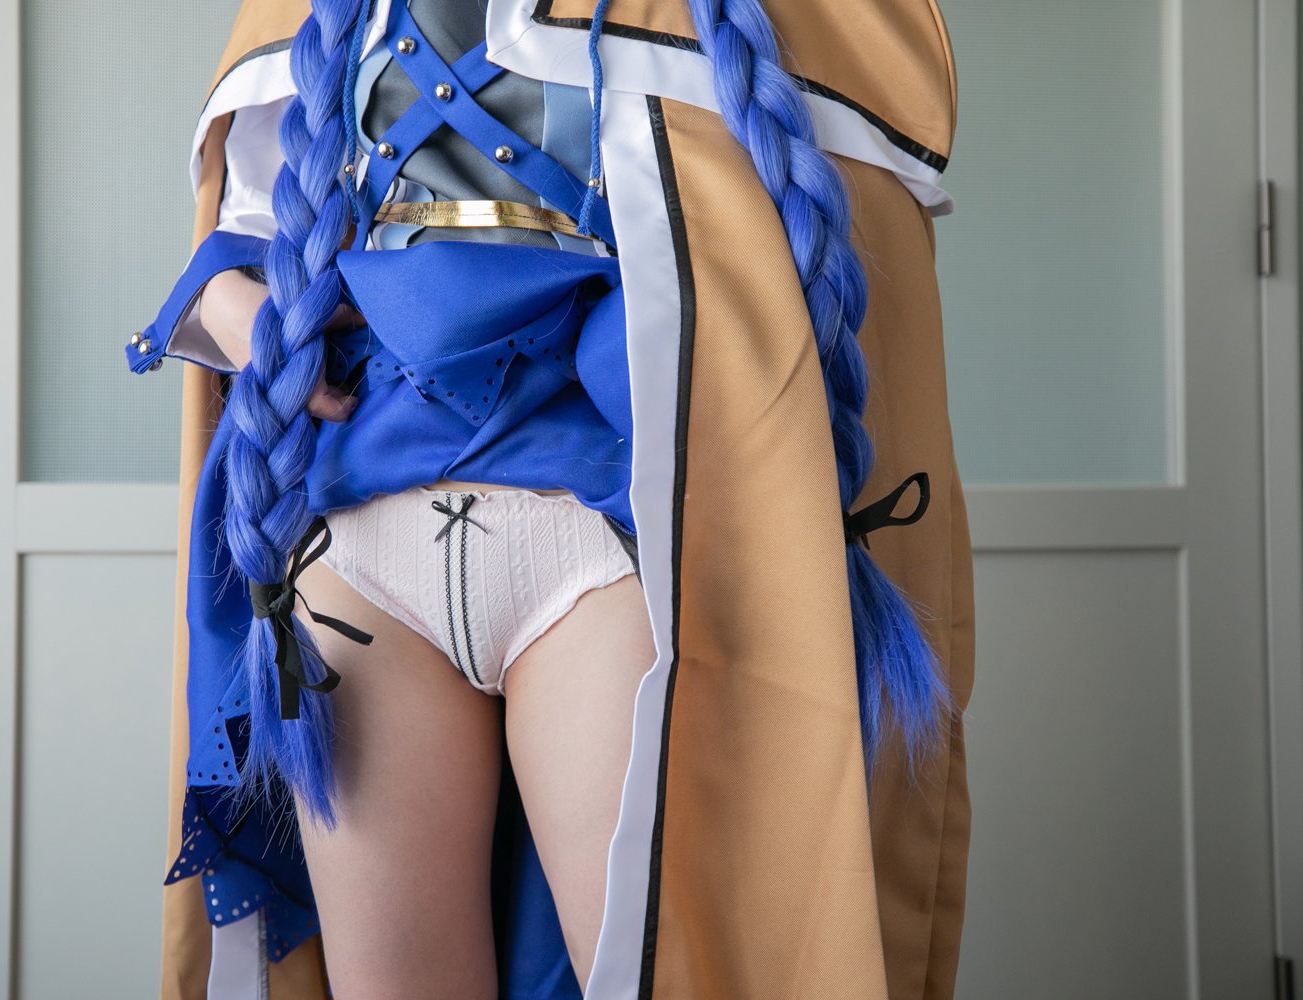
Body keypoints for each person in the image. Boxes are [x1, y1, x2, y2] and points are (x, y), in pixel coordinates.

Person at [127, 1, 975, 998]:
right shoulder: (309, 14)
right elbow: (252, 216)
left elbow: (778, 257)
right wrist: (237, 306)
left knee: (667, 969)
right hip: (357, 541)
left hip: (603, 540)